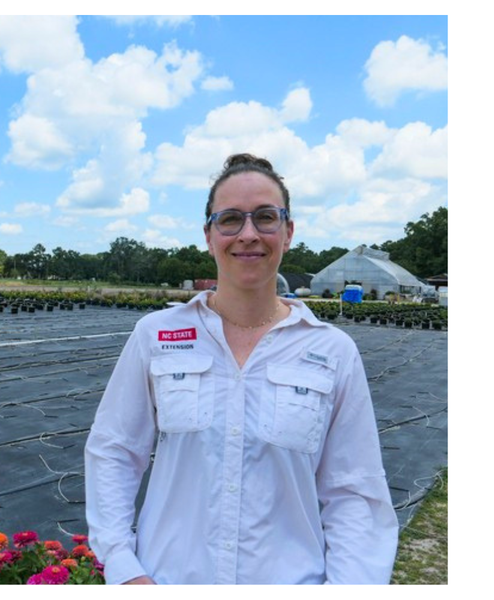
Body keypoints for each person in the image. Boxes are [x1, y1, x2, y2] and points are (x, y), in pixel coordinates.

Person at [84, 154, 398, 584]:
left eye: (265, 217)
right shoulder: (155, 335)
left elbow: (355, 492)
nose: (248, 234)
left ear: (287, 232)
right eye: (230, 219)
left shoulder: (332, 351)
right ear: (209, 236)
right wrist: (122, 567)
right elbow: (114, 452)